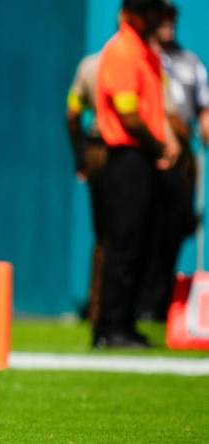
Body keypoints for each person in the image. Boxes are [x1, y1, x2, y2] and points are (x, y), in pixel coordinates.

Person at [94, 0, 181, 348]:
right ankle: (109, 327)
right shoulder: (122, 51)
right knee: (124, 244)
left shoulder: (146, 52)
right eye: (149, 14)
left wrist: (166, 143)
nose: (155, 20)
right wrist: (159, 144)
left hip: (144, 158)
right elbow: (128, 113)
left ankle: (126, 323)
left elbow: (155, 106)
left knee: (143, 243)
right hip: (127, 157)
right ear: (133, 14)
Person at [137, 2, 209, 321]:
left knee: (176, 227)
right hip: (150, 152)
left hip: (182, 154)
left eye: (171, 19)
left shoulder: (190, 62)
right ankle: (138, 303)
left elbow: (203, 106)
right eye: (161, 18)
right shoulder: (143, 57)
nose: (168, 24)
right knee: (142, 229)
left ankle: (161, 302)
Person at [66, 52, 107, 321]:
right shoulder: (149, 62)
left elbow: (72, 113)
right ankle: (113, 309)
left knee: (105, 234)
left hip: (97, 149)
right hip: (124, 152)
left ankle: (99, 306)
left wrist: (81, 156)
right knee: (120, 235)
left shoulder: (91, 64)